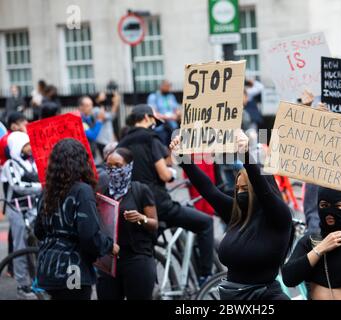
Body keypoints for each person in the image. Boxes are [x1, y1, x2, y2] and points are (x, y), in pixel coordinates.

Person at [170, 131, 293, 300]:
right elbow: (209, 190)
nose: (240, 193)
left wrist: (245, 155)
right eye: (238, 189)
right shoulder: (238, 213)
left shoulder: (279, 217)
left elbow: (263, 189)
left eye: (246, 189)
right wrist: (182, 158)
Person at [118, 104, 213, 284]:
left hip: (132, 206)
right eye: (154, 120)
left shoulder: (122, 143)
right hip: (157, 204)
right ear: (147, 118)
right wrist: (172, 174)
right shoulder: (150, 139)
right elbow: (164, 173)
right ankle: (206, 276)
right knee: (205, 223)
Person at [281, 160, 341, 300]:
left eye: (338, 206)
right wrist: (320, 249)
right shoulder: (310, 241)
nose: (330, 211)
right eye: (324, 205)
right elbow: (289, 278)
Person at [34, 138, 119, 300]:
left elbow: (38, 231)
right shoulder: (82, 191)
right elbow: (89, 236)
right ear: (80, 162)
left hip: (48, 269)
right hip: (73, 271)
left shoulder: (46, 192)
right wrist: (109, 246)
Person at [97, 147, 158, 300]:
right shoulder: (103, 192)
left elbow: (154, 223)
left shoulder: (140, 190)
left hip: (137, 259)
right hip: (109, 262)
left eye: (117, 166)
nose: (113, 170)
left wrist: (141, 218)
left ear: (129, 166)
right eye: (109, 166)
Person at [2, 131, 41, 299]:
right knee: (20, 246)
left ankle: (36, 281)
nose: (30, 147)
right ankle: (22, 284)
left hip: (33, 208)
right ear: (17, 146)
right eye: (26, 145)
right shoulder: (10, 165)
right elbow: (17, 185)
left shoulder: (33, 162)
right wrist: (40, 186)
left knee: (35, 244)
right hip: (17, 210)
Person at [147, 80, 180, 145]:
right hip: (160, 128)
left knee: (175, 146)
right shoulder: (153, 97)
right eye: (166, 86)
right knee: (163, 147)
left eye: (169, 87)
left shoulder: (171, 96)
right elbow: (153, 112)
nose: (168, 89)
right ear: (161, 86)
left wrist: (178, 114)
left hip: (173, 126)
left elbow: (176, 109)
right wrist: (168, 117)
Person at [93, 90, 120, 155]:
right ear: (96, 99)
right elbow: (110, 116)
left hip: (109, 140)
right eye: (102, 95)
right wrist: (115, 103)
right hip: (102, 140)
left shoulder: (103, 108)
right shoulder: (95, 110)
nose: (105, 96)